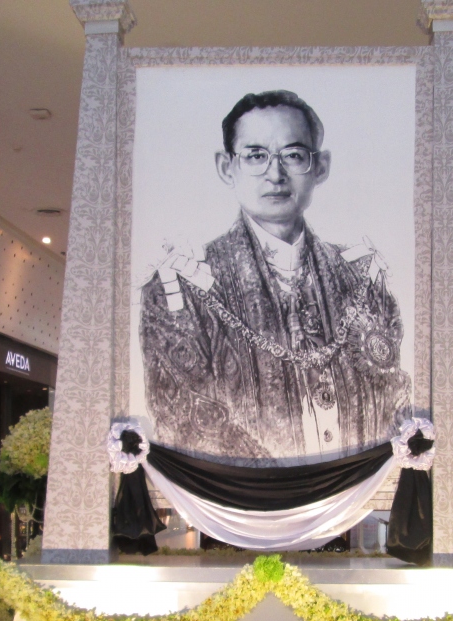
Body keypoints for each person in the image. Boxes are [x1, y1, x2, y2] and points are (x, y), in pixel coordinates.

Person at [140, 89, 411, 462]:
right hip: (244, 496)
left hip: (359, 490)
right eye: (255, 156)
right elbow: (186, 424)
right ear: (226, 167)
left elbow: (394, 400)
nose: (275, 174)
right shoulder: (179, 290)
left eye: (294, 155)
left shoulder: (363, 280)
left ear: (320, 167)